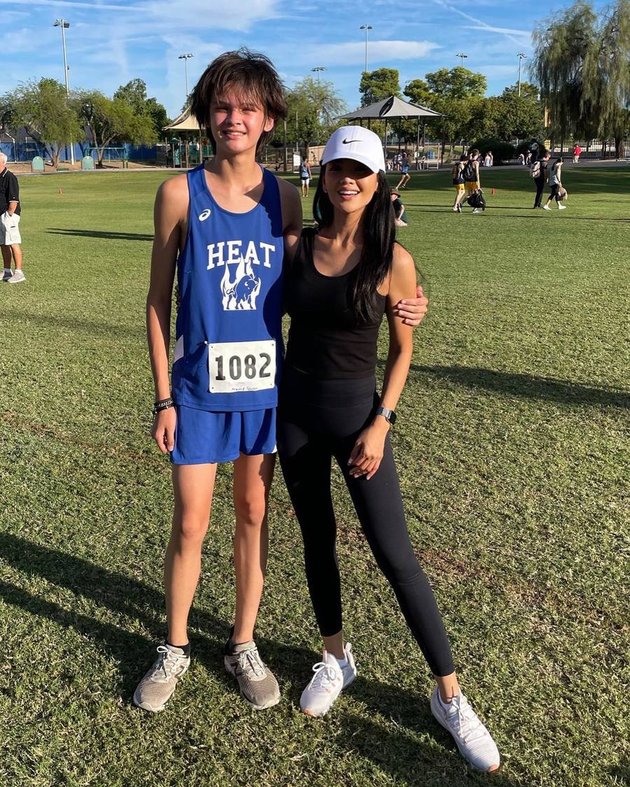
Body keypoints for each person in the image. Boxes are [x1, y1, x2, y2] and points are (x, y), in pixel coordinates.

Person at [136, 50, 428, 715]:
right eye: (221, 106)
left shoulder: (287, 197)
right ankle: (175, 646)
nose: (232, 118)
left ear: (269, 118)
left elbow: (319, 280)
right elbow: (157, 301)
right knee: (190, 520)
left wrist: (404, 300)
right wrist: (162, 395)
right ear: (208, 115)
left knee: (253, 513)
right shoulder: (178, 193)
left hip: (267, 392)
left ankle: (243, 641)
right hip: (197, 392)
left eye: (246, 108)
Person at [277, 126, 500, 773]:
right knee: (317, 538)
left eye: (360, 172)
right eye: (337, 168)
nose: (348, 180)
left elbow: (401, 355)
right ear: (323, 176)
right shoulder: (296, 248)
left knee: (396, 555)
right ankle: (336, 656)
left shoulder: (393, 260)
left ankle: (450, 694)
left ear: (377, 184)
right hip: (295, 416)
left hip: (357, 422)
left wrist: (382, 423)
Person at [0, 153, 25, 284]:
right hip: (0, 215)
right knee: (3, 243)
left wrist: (9, 215)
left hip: (9, 215)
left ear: (3, 162)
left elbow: (13, 201)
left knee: (13, 242)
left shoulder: (10, 177)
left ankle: (19, 272)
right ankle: (7, 270)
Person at [462, 148, 482, 213]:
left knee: (469, 194)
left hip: (468, 180)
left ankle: (460, 204)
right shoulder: (476, 163)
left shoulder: (468, 161)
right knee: (476, 194)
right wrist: (478, 183)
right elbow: (477, 173)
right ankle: (475, 208)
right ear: (477, 155)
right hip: (474, 181)